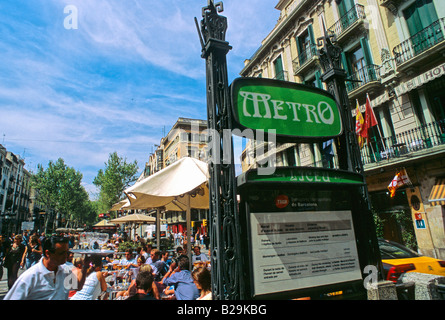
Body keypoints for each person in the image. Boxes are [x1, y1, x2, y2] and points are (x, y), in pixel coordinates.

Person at [4, 236, 89, 300]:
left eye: (67, 252)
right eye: (61, 253)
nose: (66, 256)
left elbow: (77, 286)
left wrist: (85, 267)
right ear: (48, 253)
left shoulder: (65, 270)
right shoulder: (30, 277)